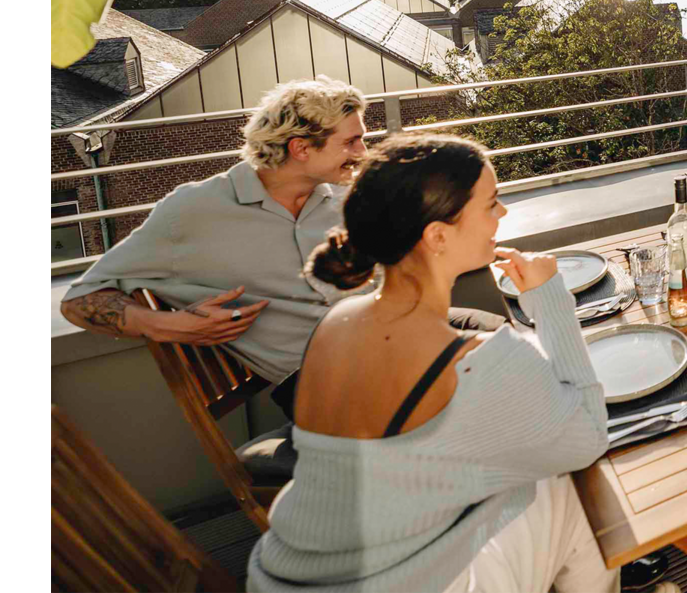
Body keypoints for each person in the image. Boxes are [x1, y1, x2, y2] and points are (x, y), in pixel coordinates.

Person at [250, 134, 626, 592]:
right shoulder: (474, 360)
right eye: (491, 204)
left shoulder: (337, 322)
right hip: (402, 581)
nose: (502, 215)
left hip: (291, 576)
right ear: (438, 235)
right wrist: (550, 299)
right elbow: (589, 435)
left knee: (535, 477)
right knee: (571, 488)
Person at [58, 77, 506, 421]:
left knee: (509, 339)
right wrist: (170, 326)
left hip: (392, 341)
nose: (362, 151)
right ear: (300, 148)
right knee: (504, 392)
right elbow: (80, 300)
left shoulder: (343, 199)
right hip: (328, 384)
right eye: (350, 141)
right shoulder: (193, 211)